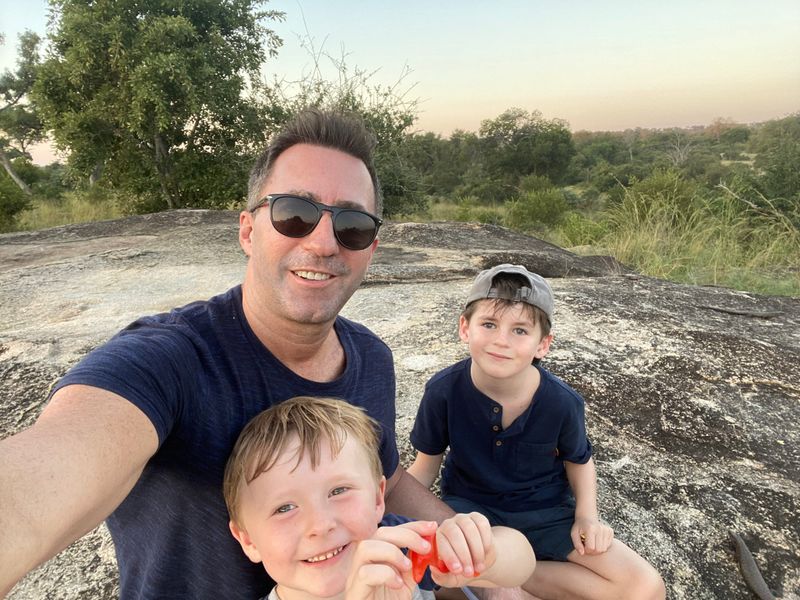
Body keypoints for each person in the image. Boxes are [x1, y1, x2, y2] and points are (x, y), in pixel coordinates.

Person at [0, 109, 453, 599]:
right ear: (247, 230)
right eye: (294, 214)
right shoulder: (169, 361)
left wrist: (487, 565)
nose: (324, 243)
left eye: (353, 225)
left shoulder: (370, 358)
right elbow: (30, 496)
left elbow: (384, 476)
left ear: (371, 247)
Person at [407, 264, 666, 600]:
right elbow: (425, 467)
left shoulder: (561, 402)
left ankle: (507, 581)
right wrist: (389, 517)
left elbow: (579, 459)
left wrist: (587, 517)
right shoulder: (444, 391)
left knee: (646, 588)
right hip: (472, 515)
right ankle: (499, 584)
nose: (501, 340)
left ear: (543, 344)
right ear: (464, 328)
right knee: (422, 571)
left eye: (520, 331)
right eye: (489, 324)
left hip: (545, 514)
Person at [223, 396, 536, 600]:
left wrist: (486, 552)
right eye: (285, 507)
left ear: (377, 499)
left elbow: (521, 562)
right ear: (248, 539)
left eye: (338, 491)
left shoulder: (397, 547)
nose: (320, 525)